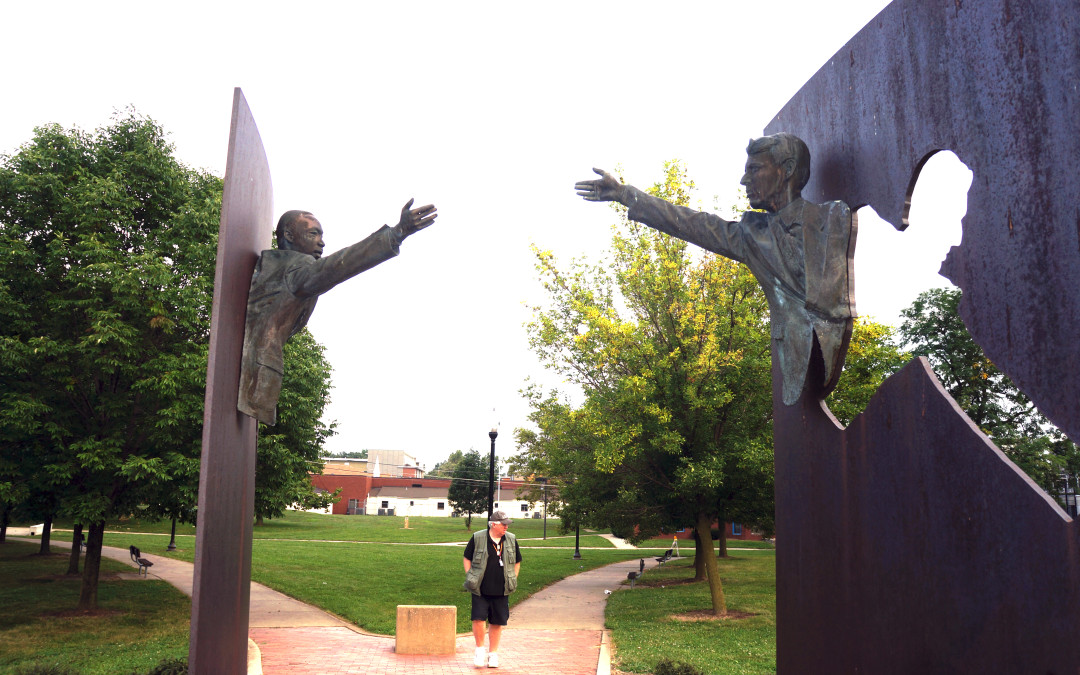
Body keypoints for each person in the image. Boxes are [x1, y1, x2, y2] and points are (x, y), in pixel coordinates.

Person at [575, 133, 856, 405]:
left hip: (827, 343)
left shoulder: (835, 217)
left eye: (754, 169)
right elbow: (693, 224)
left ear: (787, 169)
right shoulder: (751, 235)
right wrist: (626, 194)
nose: (744, 180)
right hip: (796, 352)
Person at [237, 199, 437, 424]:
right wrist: (398, 232)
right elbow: (341, 264)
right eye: (313, 234)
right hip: (252, 374)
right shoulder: (296, 269)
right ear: (290, 236)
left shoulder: (277, 268)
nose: (322, 242)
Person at [463, 510, 521, 668]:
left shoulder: (511, 539)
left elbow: (517, 561)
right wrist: (470, 576)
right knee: (478, 619)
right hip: (480, 588)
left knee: (497, 622)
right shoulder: (478, 537)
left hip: (502, 589)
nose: (506, 527)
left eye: (507, 524)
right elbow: (467, 557)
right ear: (493, 524)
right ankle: (480, 651)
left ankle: (493, 654)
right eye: (503, 524)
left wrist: (513, 578)